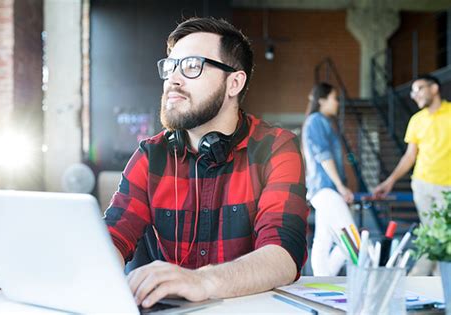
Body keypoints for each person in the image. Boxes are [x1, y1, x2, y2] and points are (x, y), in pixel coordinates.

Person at [103, 17, 309, 309]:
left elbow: (283, 256)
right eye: (171, 66)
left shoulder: (275, 148)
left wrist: (202, 281)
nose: (173, 79)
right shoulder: (151, 156)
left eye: (191, 66)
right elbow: (112, 237)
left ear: (234, 83)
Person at [373, 74, 451, 275]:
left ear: (434, 89)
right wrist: (390, 181)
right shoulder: (416, 120)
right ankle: (435, 280)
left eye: (419, 89)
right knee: (432, 232)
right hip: (422, 185)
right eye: (412, 91)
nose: (414, 95)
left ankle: (418, 275)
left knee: (439, 235)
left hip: (447, 188)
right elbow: (410, 156)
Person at [302, 82, 355, 276]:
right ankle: (367, 282)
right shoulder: (317, 120)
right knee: (352, 239)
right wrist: (341, 186)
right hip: (325, 189)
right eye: (335, 98)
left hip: (323, 190)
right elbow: (323, 156)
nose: (338, 103)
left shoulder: (319, 121)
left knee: (324, 242)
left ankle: (323, 281)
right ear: (322, 100)